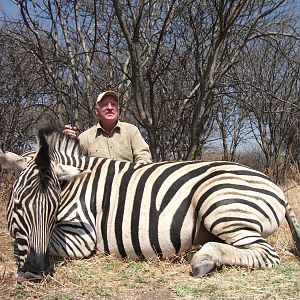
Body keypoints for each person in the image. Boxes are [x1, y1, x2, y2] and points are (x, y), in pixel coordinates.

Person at [63, 91, 152, 164]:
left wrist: (138, 171)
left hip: (129, 183)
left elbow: (143, 155)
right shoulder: (84, 137)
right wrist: (68, 143)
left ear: (118, 110)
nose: (110, 108)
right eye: (104, 104)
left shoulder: (131, 130)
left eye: (113, 104)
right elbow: (74, 163)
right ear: (97, 111)